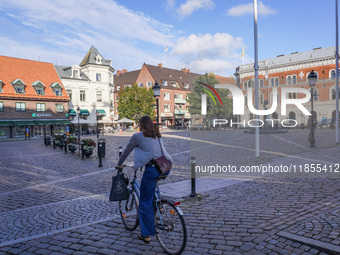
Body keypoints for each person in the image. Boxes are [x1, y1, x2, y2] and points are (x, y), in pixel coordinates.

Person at [116, 116, 172, 244]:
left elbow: (126, 151)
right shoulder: (156, 134)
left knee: (144, 202)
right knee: (153, 185)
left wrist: (119, 164)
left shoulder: (138, 136)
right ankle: (158, 206)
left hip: (152, 168)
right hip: (165, 166)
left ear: (141, 124)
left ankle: (146, 235)